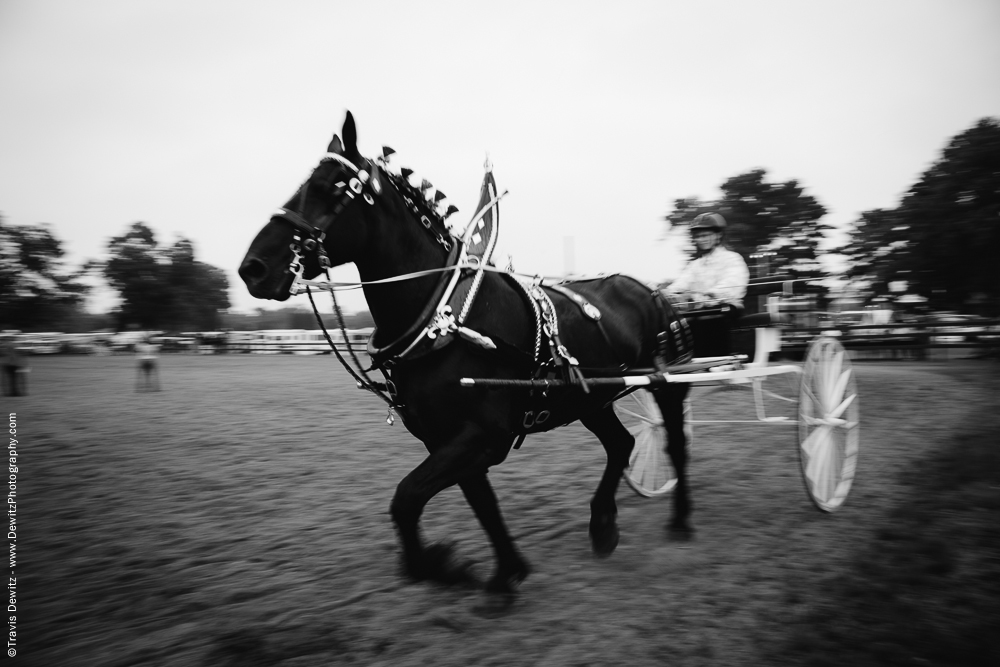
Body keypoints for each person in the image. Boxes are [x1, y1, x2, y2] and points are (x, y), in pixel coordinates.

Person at [664, 212, 749, 356]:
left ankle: (716, 358)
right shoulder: (695, 265)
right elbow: (680, 284)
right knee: (674, 323)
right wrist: (664, 294)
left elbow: (733, 285)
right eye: (698, 236)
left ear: (718, 235)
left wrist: (707, 294)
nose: (701, 239)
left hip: (723, 312)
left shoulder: (732, 259)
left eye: (705, 235)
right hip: (700, 313)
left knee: (709, 317)